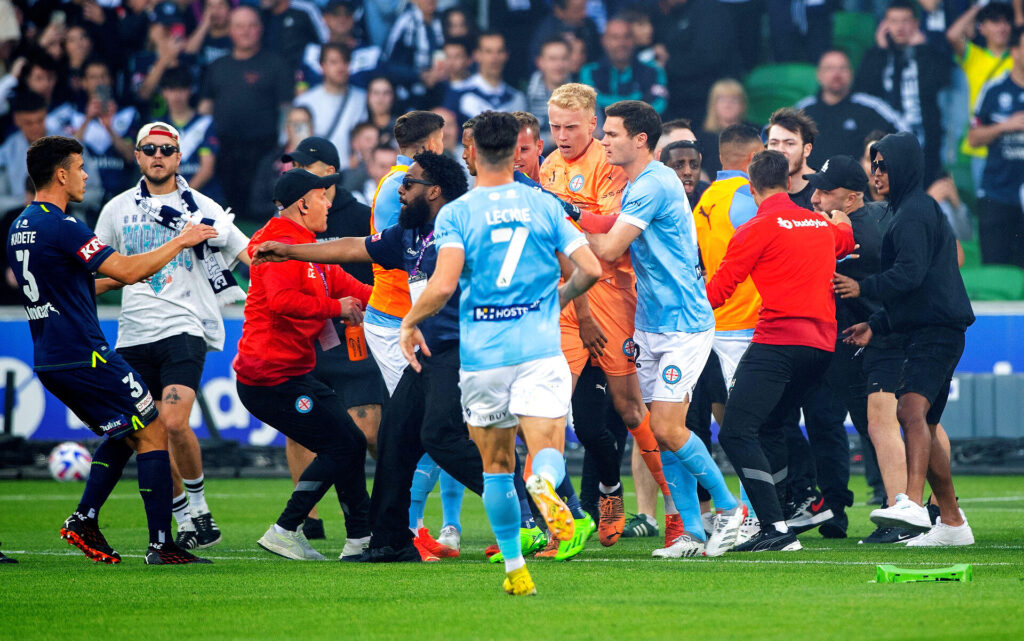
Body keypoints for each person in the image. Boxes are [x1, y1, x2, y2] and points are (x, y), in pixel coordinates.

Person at [399, 111, 602, 595]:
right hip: (537, 348)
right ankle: (545, 485)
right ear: (516, 151)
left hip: (483, 356)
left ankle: (515, 568)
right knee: (545, 451)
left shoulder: (457, 213)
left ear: (472, 152)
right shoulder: (544, 206)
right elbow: (590, 268)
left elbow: (444, 285)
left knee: (495, 466)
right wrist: (558, 298)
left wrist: (410, 322)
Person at [252, 151, 482, 563]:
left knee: (440, 437)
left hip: (462, 350)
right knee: (394, 439)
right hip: (425, 353)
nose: (401, 189)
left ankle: (525, 512)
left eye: (408, 183)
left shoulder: (462, 229)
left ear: (433, 191)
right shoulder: (408, 235)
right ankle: (388, 542)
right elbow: (353, 247)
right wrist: (290, 252)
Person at [8, 135, 216, 564]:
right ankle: (161, 544)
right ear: (61, 174)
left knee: (126, 432)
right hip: (87, 353)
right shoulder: (61, 225)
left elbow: (78, 284)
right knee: (154, 428)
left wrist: (125, 277)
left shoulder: (21, 226)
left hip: (50, 357)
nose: (87, 175)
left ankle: (85, 519)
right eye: (80, 167)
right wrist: (180, 241)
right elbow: (123, 264)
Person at [580, 100, 746, 558]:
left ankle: (732, 512)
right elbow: (610, 224)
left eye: (610, 134)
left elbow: (611, 248)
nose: (602, 141)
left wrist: (565, 224)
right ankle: (691, 532)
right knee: (658, 428)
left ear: (639, 140)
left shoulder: (654, 183)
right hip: (652, 323)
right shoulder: (642, 182)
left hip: (684, 325)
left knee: (670, 428)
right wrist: (572, 212)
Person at [94, 121, 250, 550]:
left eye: (166, 148)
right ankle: (186, 517)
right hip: (133, 331)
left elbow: (248, 254)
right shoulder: (115, 209)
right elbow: (99, 270)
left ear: (180, 157)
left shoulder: (204, 208)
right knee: (149, 431)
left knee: (175, 421)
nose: (158, 155)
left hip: (185, 326)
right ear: (138, 156)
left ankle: (198, 506)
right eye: (149, 148)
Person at [541, 83, 678, 550]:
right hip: (568, 296)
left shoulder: (613, 165)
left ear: (593, 124)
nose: (560, 135)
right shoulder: (549, 166)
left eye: (570, 127)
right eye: (554, 126)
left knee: (628, 408)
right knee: (551, 411)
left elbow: (607, 239)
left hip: (615, 297)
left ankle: (673, 507)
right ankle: (557, 521)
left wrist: (565, 214)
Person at [707, 149, 854, 552]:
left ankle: (774, 527)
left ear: (751, 188)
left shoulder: (756, 227)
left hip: (779, 342)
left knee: (736, 431)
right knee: (772, 425)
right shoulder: (816, 224)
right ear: (790, 183)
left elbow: (719, 290)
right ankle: (793, 503)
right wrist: (840, 217)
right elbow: (845, 238)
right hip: (821, 348)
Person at [838, 132, 976, 547]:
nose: (875, 173)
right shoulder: (912, 209)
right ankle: (951, 522)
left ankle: (912, 503)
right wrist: (876, 326)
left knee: (910, 409)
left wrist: (864, 288)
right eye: (873, 165)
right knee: (926, 423)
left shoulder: (913, 212)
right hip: (933, 326)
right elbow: (922, 286)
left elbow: (910, 276)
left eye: (882, 166)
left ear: (903, 168)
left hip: (936, 330)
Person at [235, 168, 373, 561]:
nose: (329, 203)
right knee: (342, 443)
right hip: (268, 378)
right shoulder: (277, 243)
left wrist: (404, 304)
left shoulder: (307, 245)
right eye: (323, 196)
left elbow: (353, 287)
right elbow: (281, 302)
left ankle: (360, 538)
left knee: (349, 442)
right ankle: (286, 529)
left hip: (292, 372)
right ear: (303, 203)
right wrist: (337, 309)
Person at [278, 136, 386, 540]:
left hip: (353, 332)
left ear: (331, 173)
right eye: (294, 168)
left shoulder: (361, 215)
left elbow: (378, 269)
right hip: (306, 333)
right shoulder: (292, 221)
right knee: (300, 427)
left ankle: (389, 507)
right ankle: (311, 518)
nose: (297, 173)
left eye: (307, 168)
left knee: (368, 430)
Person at [363, 111, 444, 395]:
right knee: (410, 412)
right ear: (430, 146)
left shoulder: (413, 183)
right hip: (393, 315)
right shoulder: (398, 187)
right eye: (442, 140)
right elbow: (399, 250)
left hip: (413, 314)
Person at [198, 6, 293, 221]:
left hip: (265, 150)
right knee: (227, 213)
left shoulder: (277, 64)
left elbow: (287, 110)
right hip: (223, 150)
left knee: (259, 211)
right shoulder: (216, 66)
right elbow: (204, 110)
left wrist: (282, 148)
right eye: (239, 26)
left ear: (260, 29)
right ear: (230, 31)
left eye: (251, 25)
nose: (246, 31)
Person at [855, 0, 949, 187]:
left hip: (924, 143)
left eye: (905, 21)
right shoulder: (875, 55)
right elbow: (863, 91)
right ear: (885, 25)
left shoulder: (929, 53)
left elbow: (936, 84)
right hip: (883, 142)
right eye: (894, 21)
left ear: (915, 24)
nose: (900, 27)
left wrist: (922, 50)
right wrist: (880, 50)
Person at [968, 25, 1024, 268]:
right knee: (996, 271)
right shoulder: (994, 89)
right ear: (1014, 51)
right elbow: (973, 137)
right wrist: (1005, 126)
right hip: (997, 194)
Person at [795, 49, 908, 168]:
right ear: (819, 75)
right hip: (810, 184)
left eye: (843, 68)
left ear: (851, 74)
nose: (836, 74)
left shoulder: (871, 108)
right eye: (829, 68)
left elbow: (906, 138)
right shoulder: (802, 111)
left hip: (858, 185)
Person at [947, 2, 1014, 189]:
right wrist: (979, 8)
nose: (1002, 27)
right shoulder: (974, 57)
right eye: (995, 21)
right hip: (982, 146)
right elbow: (953, 35)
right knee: (986, 206)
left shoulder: (1019, 58)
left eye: (1006, 22)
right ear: (982, 28)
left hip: (1015, 145)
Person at [294, 43, 369, 167]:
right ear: (322, 66)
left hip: (351, 173)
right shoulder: (304, 101)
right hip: (316, 175)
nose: (340, 67)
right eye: (334, 62)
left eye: (345, 62)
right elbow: (295, 143)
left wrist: (359, 158)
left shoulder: (362, 99)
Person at [578, 17, 668, 117]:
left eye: (627, 37)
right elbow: (592, 102)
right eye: (615, 37)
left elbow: (659, 104)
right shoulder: (589, 71)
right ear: (603, 41)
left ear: (634, 40)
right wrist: (638, 101)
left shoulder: (654, 70)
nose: (621, 43)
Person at [157, 66, 220, 200]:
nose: (177, 96)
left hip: (204, 197)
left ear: (190, 90)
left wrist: (183, 197)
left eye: (182, 90)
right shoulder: (157, 126)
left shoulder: (205, 123)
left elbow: (207, 169)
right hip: (166, 199)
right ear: (163, 92)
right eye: (171, 90)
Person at [444, 32, 526, 125]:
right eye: (488, 51)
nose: (494, 58)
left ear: (506, 55)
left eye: (500, 51)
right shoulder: (458, 93)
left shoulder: (516, 98)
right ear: (477, 55)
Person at [765, 107, 818, 209]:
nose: (780, 150)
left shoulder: (826, 192)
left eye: (789, 143)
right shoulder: (759, 191)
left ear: (807, 149)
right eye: (774, 143)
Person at [526, 36, 573, 150]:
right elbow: (523, 140)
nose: (559, 65)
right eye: (553, 59)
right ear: (540, 62)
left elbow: (597, 133)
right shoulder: (525, 96)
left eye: (564, 58)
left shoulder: (585, 96)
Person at [698, 79, 752, 177]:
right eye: (722, 100)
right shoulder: (702, 138)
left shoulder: (754, 134)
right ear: (713, 105)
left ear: (742, 104)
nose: (728, 105)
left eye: (734, 100)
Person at [259, 0, 328, 73]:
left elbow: (326, 40)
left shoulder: (305, 9)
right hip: (269, 75)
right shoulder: (259, 14)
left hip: (302, 76)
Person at [660, 140, 708, 208]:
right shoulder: (650, 198)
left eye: (694, 166)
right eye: (678, 166)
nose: (687, 172)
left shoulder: (710, 195)